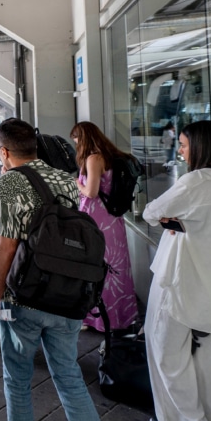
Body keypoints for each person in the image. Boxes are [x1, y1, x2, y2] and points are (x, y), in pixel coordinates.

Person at [0, 119, 110, 421]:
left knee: (18, 381)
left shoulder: (7, 185)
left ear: (4, 152)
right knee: (70, 380)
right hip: (68, 295)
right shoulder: (65, 179)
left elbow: (6, 248)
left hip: (24, 298)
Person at [141, 120, 211, 421]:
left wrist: (173, 221)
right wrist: (181, 222)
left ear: (201, 147)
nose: (181, 150)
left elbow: (151, 212)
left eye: (184, 144)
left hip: (179, 280)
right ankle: (210, 419)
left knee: (166, 353)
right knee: (204, 354)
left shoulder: (196, 180)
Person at [71, 121, 140, 333]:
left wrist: (76, 183)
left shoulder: (93, 158)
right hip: (113, 220)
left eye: (77, 141)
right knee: (117, 269)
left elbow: (91, 192)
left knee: (98, 267)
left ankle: (98, 319)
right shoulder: (111, 156)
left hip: (97, 221)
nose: (76, 146)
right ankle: (121, 315)